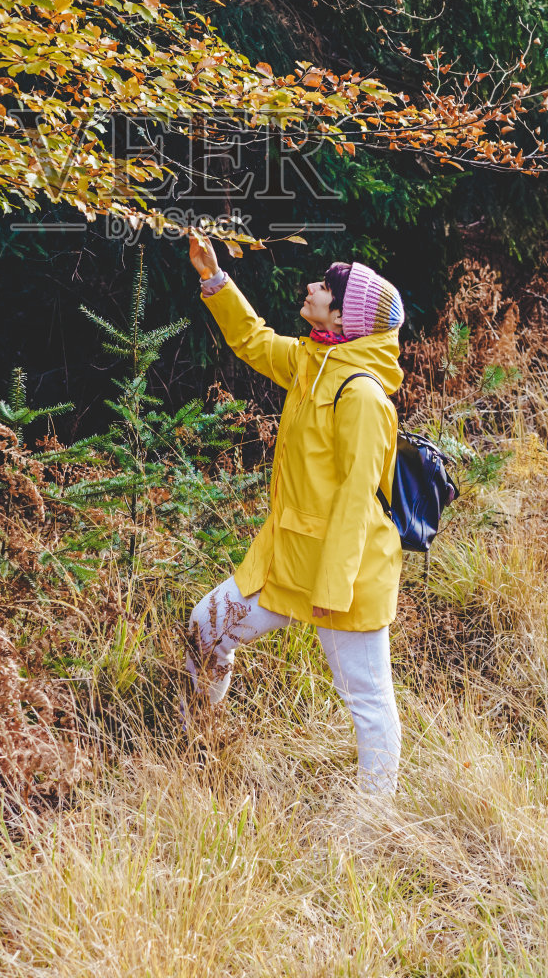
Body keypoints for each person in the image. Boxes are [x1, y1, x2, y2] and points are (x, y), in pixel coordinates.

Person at [186, 233, 404, 794]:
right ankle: (202, 743)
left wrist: (333, 588)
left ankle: (376, 819)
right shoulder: (313, 360)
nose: (310, 287)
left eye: (325, 288)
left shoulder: (362, 396)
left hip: (345, 574)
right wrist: (216, 281)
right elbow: (255, 343)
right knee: (205, 630)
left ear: (345, 316)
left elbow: (358, 499)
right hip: (287, 559)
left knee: (367, 698)